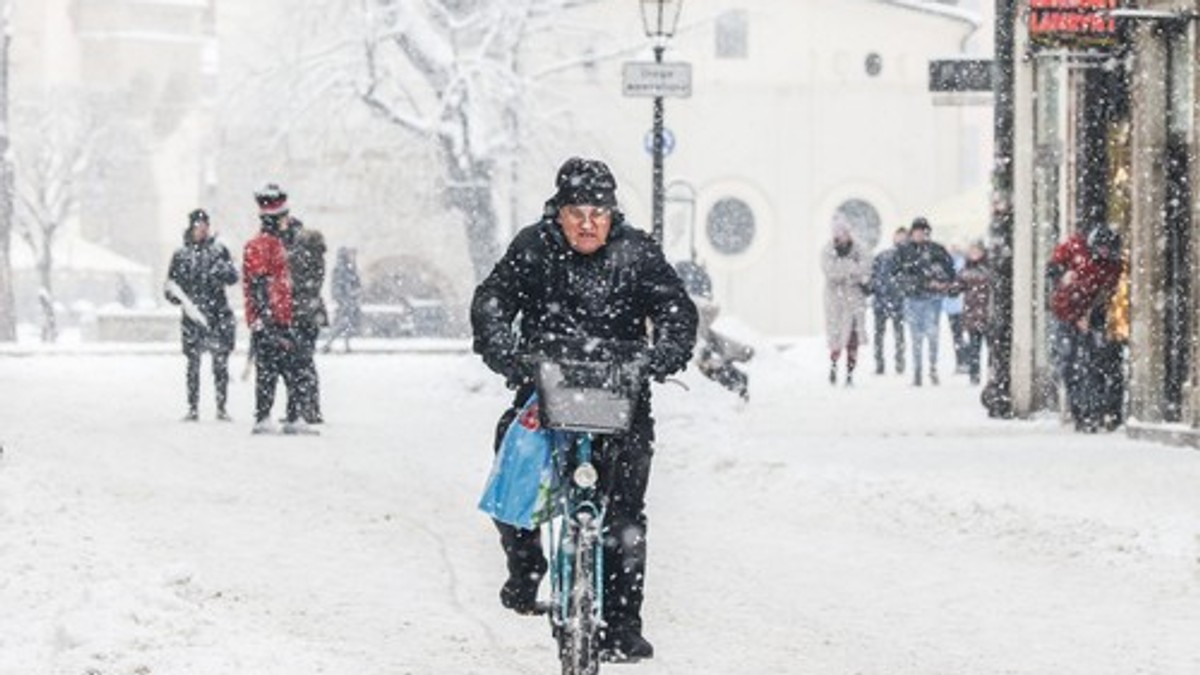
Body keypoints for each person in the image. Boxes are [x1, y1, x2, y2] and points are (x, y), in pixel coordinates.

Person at [470, 157, 698, 662]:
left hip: (622, 398)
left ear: (613, 215)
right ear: (559, 213)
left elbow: (675, 308)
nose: (589, 224)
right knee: (513, 470)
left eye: (599, 213)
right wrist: (505, 353)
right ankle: (526, 566)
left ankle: (621, 624)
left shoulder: (637, 252)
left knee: (624, 514)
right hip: (545, 390)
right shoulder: (534, 248)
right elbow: (493, 301)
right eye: (577, 213)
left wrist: (666, 353)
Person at [164, 208, 239, 421]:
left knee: (220, 365)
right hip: (193, 316)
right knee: (193, 365)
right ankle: (193, 407)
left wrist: (223, 270)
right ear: (191, 228)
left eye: (205, 226)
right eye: (198, 226)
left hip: (218, 315)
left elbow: (233, 277)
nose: (202, 230)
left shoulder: (219, 251)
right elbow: (170, 285)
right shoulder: (181, 255)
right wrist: (177, 298)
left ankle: (221, 407)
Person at [1048, 223, 1124, 432]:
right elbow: (1052, 267)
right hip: (1065, 314)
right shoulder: (1073, 247)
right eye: (1101, 248)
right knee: (1070, 364)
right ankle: (1080, 413)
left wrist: (1090, 317)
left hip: (1092, 316)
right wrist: (1062, 275)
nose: (1104, 253)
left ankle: (1095, 411)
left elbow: (1106, 294)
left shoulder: (1114, 266)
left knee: (1094, 365)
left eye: (1108, 250)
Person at [243, 184, 304, 434]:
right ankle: (270, 417)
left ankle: (284, 416)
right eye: (284, 217)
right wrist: (268, 319)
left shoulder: (274, 243)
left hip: (278, 318)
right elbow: (259, 284)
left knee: (286, 370)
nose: (288, 221)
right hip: (270, 320)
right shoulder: (261, 245)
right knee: (277, 370)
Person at [675, 260, 753, 400]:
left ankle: (734, 390)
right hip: (694, 366)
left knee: (717, 367)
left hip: (696, 360)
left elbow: (711, 339)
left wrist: (739, 350)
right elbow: (709, 341)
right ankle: (735, 391)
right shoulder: (691, 309)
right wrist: (739, 351)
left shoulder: (685, 308)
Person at [280, 201, 328, 425]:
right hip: (310, 312)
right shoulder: (313, 251)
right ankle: (309, 407)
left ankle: (303, 409)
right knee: (305, 361)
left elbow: (295, 284)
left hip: (300, 313)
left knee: (299, 362)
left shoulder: (298, 254)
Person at [894, 217, 956, 386]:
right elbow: (897, 275)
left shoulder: (937, 249)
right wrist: (919, 282)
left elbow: (950, 272)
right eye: (917, 231)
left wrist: (941, 283)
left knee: (932, 335)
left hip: (933, 299)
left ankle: (933, 368)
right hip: (912, 299)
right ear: (912, 233)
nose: (920, 234)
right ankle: (917, 372)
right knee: (916, 337)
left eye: (923, 231)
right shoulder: (903, 250)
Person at [821, 224, 872, 386]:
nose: (842, 236)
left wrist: (845, 269)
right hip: (835, 302)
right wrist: (851, 269)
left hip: (855, 301)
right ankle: (834, 365)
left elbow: (866, 269)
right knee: (836, 337)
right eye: (839, 233)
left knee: (853, 339)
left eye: (845, 233)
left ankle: (850, 373)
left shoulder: (860, 249)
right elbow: (830, 272)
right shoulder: (828, 250)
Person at [870, 227, 908, 375]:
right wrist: (875, 288)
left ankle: (900, 363)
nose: (900, 240)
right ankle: (879, 364)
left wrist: (900, 290)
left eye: (903, 237)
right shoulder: (883, 255)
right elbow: (873, 275)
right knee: (879, 335)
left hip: (899, 302)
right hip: (880, 302)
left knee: (899, 335)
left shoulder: (909, 258)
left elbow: (908, 279)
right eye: (898, 236)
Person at [956, 241, 993, 385]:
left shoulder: (988, 268)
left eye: (977, 251)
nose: (974, 254)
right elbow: (956, 287)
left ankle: (990, 374)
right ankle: (974, 375)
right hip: (972, 313)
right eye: (972, 251)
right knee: (974, 347)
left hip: (987, 313)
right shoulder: (966, 270)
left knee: (991, 347)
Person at [323, 246, 364, 353]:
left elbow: (356, 284)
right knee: (341, 324)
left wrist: (355, 293)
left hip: (349, 302)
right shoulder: (341, 270)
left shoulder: (350, 268)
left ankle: (343, 345)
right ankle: (329, 344)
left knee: (346, 324)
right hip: (345, 302)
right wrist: (342, 299)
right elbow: (337, 286)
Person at [944, 244, 968, 374]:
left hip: (963, 305)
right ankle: (962, 362)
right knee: (958, 336)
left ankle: (965, 361)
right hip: (952, 307)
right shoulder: (947, 263)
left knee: (962, 336)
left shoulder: (963, 263)